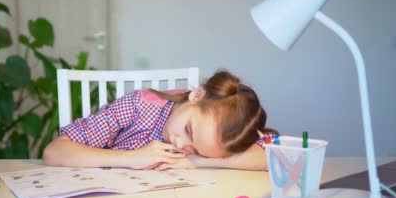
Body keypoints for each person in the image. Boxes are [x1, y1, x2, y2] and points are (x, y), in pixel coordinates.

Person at [43, 69, 278, 171]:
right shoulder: (139, 106)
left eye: (198, 150)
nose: (180, 144)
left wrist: (198, 162)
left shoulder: (222, 132)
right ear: (197, 95)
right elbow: (55, 152)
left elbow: (274, 156)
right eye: (188, 130)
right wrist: (132, 158)